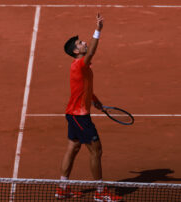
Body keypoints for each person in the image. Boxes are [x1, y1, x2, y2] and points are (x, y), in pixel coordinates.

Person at [55, 13, 122, 202]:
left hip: (74, 114)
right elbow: (91, 52)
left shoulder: (82, 67)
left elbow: (83, 87)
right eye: (80, 44)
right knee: (96, 150)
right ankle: (100, 192)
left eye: (82, 41)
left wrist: (95, 100)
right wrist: (98, 30)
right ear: (76, 52)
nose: (83, 43)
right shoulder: (79, 64)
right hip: (79, 116)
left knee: (74, 147)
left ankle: (62, 189)